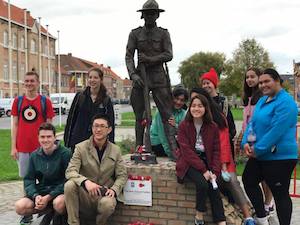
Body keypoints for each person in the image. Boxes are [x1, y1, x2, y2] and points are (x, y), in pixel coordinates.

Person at [190, 88, 255, 225]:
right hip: (208, 162)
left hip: (222, 160)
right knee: (213, 186)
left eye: (199, 101)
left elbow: (224, 143)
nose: (195, 104)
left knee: (231, 181)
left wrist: (224, 164)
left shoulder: (218, 118)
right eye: (192, 101)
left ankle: (247, 215)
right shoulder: (193, 119)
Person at [242, 68, 298, 225]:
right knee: (249, 180)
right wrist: (245, 142)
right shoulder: (262, 100)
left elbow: (276, 131)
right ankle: (261, 216)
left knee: (280, 194)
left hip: (280, 157)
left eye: (267, 81)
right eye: (261, 82)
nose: (262, 85)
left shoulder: (286, 103)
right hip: (260, 154)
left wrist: (257, 149)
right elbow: (252, 123)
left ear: (277, 81)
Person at [125, 0, 178, 157]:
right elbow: (128, 56)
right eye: (147, 14)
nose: (150, 17)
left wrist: (150, 59)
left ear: (157, 15)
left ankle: (174, 149)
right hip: (140, 79)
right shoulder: (135, 34)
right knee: (139, 115)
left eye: (153, 14)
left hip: (158, 78)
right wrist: (133, 75)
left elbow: (169, 54)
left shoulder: (163, 33)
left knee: (167, 114)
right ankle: (139, 148)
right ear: (143, 15)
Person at [64, 114, 127, 225]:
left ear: (109, 130)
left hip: (104, 194)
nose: (98, 129)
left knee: (108, 204)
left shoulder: (116, 150)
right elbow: (70, 171)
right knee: (69, 185)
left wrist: (114, 189)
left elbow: (122, 175)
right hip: (85, 195)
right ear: (92, 128)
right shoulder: (81, 147)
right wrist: (86, 182)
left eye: (102, 126)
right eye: (95, 126)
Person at [10, 71, 55, 224]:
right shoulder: (18, 101)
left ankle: (46, 209)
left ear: (38, 83)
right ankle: (27, 212)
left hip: (41, 149)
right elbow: (15, 124)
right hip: (23, 148)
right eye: (26, 81)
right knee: (26, 180)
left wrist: (50, 145)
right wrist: (13, 147)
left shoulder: (45, 101)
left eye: (32, 81)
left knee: (44, 178)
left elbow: (50, 126)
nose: (29, 84)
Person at [176, 95, 226, 225]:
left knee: (214, 187)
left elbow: (216, 150)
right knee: (203, 184)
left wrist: (214, 171)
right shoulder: (184, 126)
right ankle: (199, 217)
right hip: (188, 163)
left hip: (206, 161)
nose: (196, 109)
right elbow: (186, 151)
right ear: (189, 108)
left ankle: (221, 221)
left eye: (200, 106)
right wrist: (203, 170)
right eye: (193, 106)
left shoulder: (212, 126)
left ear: (205, 108)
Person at [15, 123, 71, 225]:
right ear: (38, 138)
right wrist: (36, 196)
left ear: (55, 137)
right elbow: (29, 179)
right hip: (42, 191)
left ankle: (58, 217)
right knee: (20, 206)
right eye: (42, 137)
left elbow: (68, 179)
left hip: (59, 193)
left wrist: (49, 196)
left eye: (49, 136)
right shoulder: (34, 155)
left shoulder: (65, 153)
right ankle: (48, 213)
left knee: (59, 204)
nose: (45, 140)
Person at [238, 68, 275, 218]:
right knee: (257, 176)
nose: (250, 80)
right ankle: (262, 204)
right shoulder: (248, 98)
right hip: (250, 140)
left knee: (265, 175)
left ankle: (268, 203)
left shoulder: (263, 97)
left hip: (262, 140)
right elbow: (246, 121)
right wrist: (242, 136)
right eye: (247, 77)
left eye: (253, 77)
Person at [64, 67, 115, 151]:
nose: (92, 80)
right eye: (90, 77)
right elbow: (71, 120)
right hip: (79, 140)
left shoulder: (106, 100)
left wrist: (111, 144)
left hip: (98, 142)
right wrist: (67, 141)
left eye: (95, 77)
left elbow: (110, 123)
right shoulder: (80, 97)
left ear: (101, 80)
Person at [199, 68, 236, 159]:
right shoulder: (201, 102)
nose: (205, 86)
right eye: (203, 84)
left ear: (214, 84)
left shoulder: (223, 103)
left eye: (208, 83)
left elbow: (230, 124)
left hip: (222, 142)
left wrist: (227, 137)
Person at [150, 86, 188, 158]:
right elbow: (162, 135)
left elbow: (183, 132)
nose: (178, 102)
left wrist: (175, 126)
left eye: (182, 100)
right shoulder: (162, 112)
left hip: (172, 140)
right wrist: (170, 153)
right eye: (176, 98)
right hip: (158, 142)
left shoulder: (183, 113)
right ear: (171, 97)